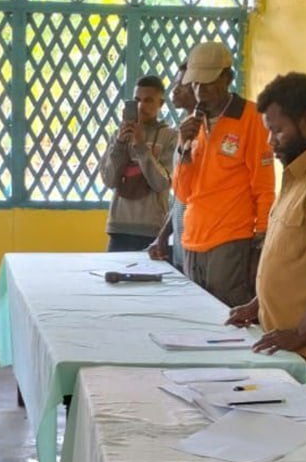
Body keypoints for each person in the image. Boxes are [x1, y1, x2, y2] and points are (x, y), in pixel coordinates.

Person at [225, 72, 306, 384]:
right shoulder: (298, 174)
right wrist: (256, 305)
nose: (270, 141)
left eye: (277, 131)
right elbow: (293, 254)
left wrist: (301, 332)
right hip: (279, 339)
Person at [172, 41, 275, 306]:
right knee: (195, 315)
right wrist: (183, 148)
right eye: (196, 84)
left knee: (226, 317)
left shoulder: (252, 118)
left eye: (208, 83)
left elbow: (264, 187)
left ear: (228, 78)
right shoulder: (191, 125)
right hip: (192, 238)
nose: (201, 92)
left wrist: (260, 242)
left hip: (231, 240)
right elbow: (182, 193)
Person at [99, 75, 177, 252]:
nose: (141, 106)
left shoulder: (171, 137)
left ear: (161, 103)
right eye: (137, 100)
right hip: (119, 227)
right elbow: (109, 181)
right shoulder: (119, 135)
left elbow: (162, 183)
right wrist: (119, 144)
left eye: (148, 100)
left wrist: (141, 146)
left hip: (153, 229)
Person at [149, 62, 197, 271]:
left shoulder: (206, 132)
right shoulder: (185, 130)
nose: (174, 90)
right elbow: (180, 195)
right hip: (180, 240)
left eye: (182, 85)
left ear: (198, 87)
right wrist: (163, 235)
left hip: (199, 242)